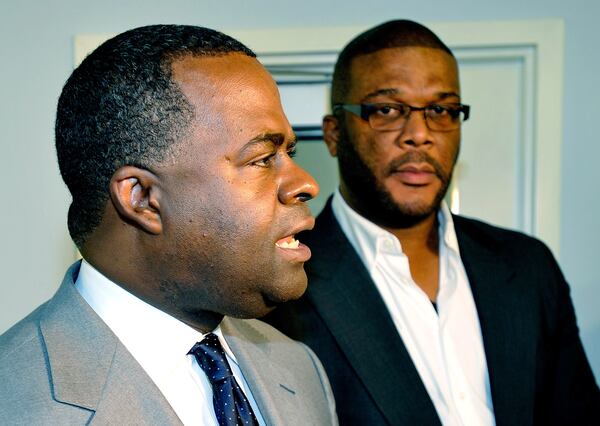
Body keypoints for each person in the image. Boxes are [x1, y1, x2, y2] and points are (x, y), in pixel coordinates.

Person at [265, 19, 599, 425]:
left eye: (441, 110)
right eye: (387, 110)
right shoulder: (282, 285)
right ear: (334, 135)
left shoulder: (527, 266)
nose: (419, 134)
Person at [0, 25, 338, 426]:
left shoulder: (298, 368)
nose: (307, 183)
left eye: (290, 152)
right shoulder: (20, 401)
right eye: (263, 158)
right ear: (142, 198)